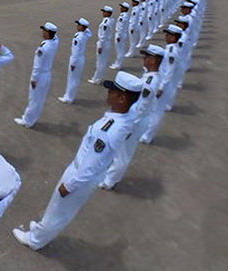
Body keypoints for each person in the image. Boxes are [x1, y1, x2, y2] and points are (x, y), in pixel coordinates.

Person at [11, 71, 141, 250]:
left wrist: (71, 184)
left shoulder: (108, 131)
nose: (108, 93)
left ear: (122, 98)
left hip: (80, 175)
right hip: (87, 173)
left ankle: (35, 240)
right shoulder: (126, 116)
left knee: (59, 210)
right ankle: (42, 228)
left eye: (113, 91)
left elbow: (91, 164)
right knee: (56, 209)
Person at [100, 45, 165, 190]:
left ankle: (109, 181)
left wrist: (128, 124)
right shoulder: (149, 76)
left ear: (153, 60)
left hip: (136, 120)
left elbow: (140, 107)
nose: (144, 59)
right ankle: (110, 176)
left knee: (123, 153)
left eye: (146, 57)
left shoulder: (149, 83)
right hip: (137, 119)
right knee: (120, 150)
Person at [15, 22, 59, 128]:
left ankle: (27, 121)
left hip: (40, 76)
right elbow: (55, 36)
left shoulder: (43, 48)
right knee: (39, 99)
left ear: (48, 33)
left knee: (33, 99)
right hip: (47, 74)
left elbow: (37, 66)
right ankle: (32, 119)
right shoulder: (55, 42)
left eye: (44, 30)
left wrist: (34, 78)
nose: (42, 32)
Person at [58, 18, 92, 104]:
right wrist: (85, 27)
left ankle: (68, 97)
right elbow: (89, 32)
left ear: (82, 27)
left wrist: (73, 63)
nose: (77, 26)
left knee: (72, 78)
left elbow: (75, 52)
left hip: (76, 59)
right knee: (74, 78)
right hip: (80, 58)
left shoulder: (79, 37)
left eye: (79, 25)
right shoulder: (85, 34)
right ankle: (69, 96)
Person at [87, 6, 114, 84]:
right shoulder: (111, 20)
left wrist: (100, 46)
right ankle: (99, 77)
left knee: (100, 62)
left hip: (103, 43)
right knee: (102, 61)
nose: (103, 13)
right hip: (106, 42)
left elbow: (103, 35)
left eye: (104, 12)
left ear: (108, 13)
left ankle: (96, 78)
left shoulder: (105, 23)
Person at [110, 2, 130, 69]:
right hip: (121, 34)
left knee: (120, 50)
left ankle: (118, 64)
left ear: (125, 9)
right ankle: (117, 62)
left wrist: (118, 35)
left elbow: (121, 27)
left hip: (120, 34)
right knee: (118, 50)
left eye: (122, 7)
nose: (120, 8)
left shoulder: (124, 16)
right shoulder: (123, 15)